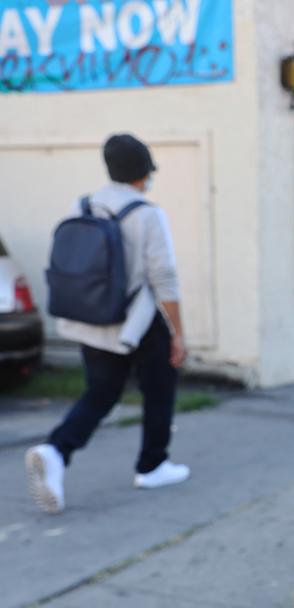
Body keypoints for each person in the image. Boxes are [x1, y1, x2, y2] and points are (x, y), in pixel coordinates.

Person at [26, 134, 190, 514]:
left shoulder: (82, 205)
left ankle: (56, 450)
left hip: (92, 319)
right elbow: (163, 278)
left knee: (100, 393)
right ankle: (152, 465)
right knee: (159, 387)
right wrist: (178, 333)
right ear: (144, 172)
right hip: (137, 320)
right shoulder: (147, 214)